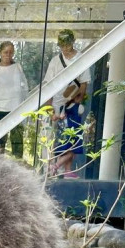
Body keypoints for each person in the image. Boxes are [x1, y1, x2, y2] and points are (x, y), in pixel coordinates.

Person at [43, 29, 91, 178]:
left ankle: (62, 168)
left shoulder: (80, 58)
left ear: (72, 43)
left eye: (67, 45)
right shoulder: (55, 61)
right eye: (62, 45)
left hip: (72, 104)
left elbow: (84, 82)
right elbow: (48, 85)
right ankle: (56, 167)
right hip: (57, 104)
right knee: (63, 139)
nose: (64, 48)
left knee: (73, 139)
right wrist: (49, 107)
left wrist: (80, 97)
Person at [0, 41, 29, 158]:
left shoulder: (18, 67)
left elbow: (25, 87)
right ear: (0, 53)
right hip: (0, 111)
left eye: (11, 52)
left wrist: (26, 105)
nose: (8, 55)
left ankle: (17, 170)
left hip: (17, 110)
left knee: (17, 143)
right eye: (5, 52)